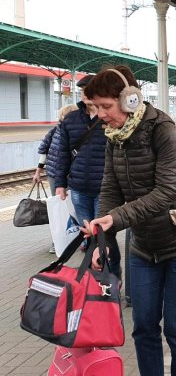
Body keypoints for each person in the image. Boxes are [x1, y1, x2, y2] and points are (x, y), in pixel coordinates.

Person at [82, 65, 176, 376]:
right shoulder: (114, 135)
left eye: (105, 106)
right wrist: (102, 240)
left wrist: (115, 218)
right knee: (143, 327)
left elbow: (165, 193)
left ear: (130, 99)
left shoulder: (162, 129)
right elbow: (110, 187)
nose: (100, 114)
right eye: (95, 107)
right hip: (143, 246)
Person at [52, 75, 122, 272]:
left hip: (105, 189)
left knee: (105, 235)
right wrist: (60, 184)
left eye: (88, 90)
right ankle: (94, 278)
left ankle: (113, 275)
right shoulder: (71, 119)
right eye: (82, 90)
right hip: (79, 188)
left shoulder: (110, 119)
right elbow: (62, 153)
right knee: (88, 234)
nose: (84, 94)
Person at [34, 104, 78, 253]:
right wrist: (38, 171)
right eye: (66, 116)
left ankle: (79, 237)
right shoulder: (54, 131)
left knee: (76, 205)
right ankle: (58, 240)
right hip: (54, 174)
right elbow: (44, 151)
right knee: (57, 207)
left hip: (74, 174)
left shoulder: (81, 131)